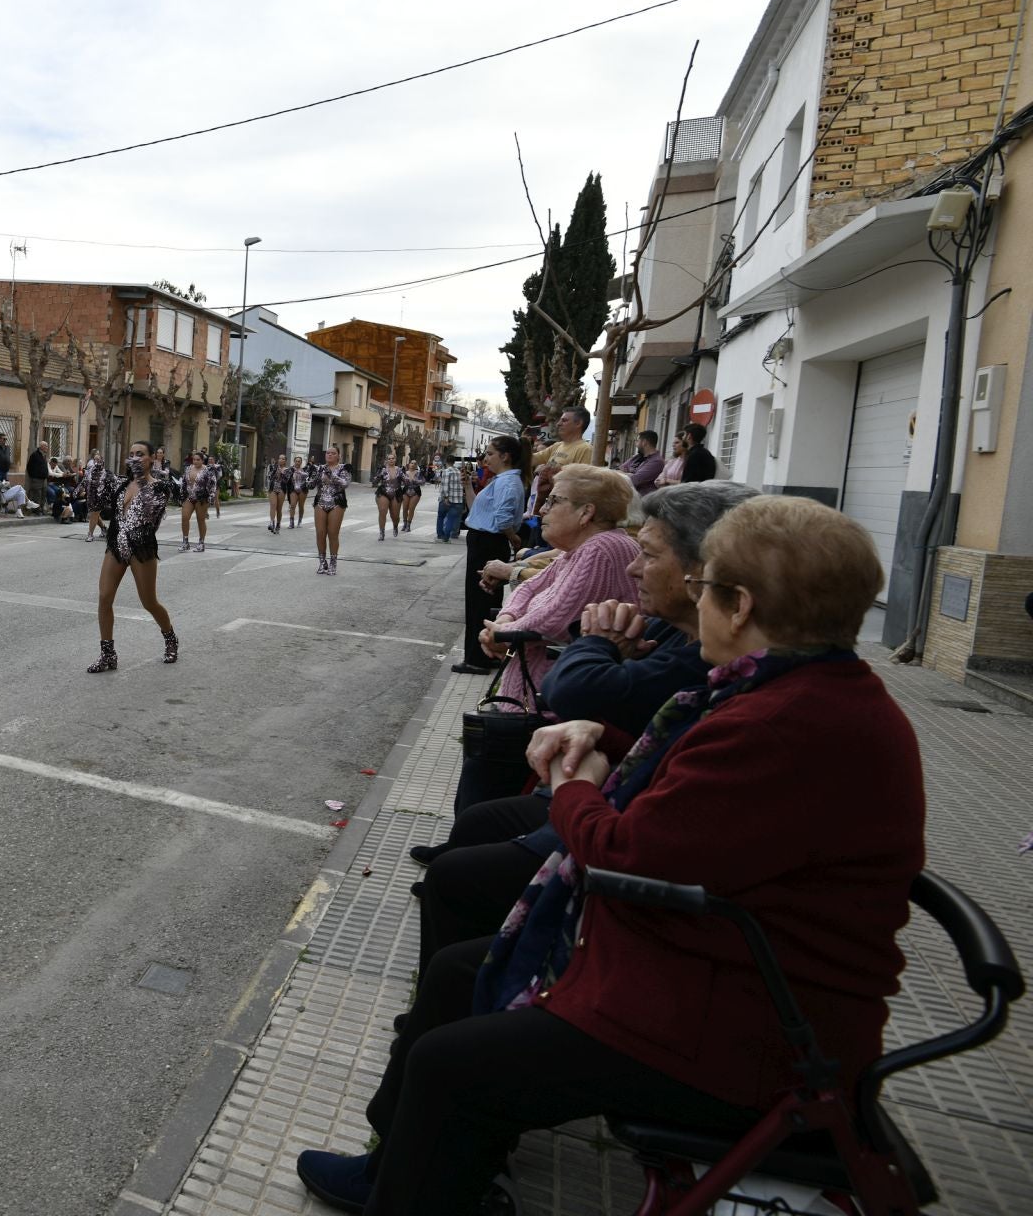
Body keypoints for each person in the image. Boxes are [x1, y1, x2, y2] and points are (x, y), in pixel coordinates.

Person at [297, 494, 923, 1216]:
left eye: (702, 586)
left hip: (736, 1028)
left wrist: (575, 787)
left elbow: (622, 860)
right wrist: (616, 748)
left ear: (741, 605)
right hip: (713, 970)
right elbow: (696, 803)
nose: (683, 596)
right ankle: (404, 1166)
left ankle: (424, 1182)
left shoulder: (786, 723)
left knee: (451, 1067)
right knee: (454, 971)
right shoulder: (794, 692)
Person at [411, 482, 761, 962]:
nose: (634, 569)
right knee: (476, 822)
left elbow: (569, 663)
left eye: (554, 500)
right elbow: (535, 590)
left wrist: (590, 648)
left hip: (606, 836)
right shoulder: (694, 640)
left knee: (462, 878)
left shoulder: (727, 667)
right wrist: (510, 625)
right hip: (601, 806)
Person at [473, 464, 641, 718]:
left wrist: (500, 634)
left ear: (586, 513)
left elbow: (554, 619)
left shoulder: (602, 549)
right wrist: (505, 621)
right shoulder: (581, 549)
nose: (542, 509)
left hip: (555, 709)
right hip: (542, 696)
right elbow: (529, 587)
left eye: (553, 500)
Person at [85, 442, 179, 671]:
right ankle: (108, 655)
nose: (135, 458)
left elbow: (150, 516)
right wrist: (95, 475)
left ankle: (170, 638)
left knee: (149, 601)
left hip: (141, 547)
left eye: (141, 454)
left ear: (150, 460)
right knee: (104, 596)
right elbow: (97, 499)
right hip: (116, 544)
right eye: (132, 455)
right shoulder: (120, 485)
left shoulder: (159, 488)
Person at [452, 438, 525, 675]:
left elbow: (503, 518)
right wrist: (467, 488)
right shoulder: (501, 481)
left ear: (505, 456)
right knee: (487, 601)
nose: (486, 458)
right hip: (485, 540)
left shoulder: (507, 482)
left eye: (491, 453)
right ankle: (486, 652)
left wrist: (512, 537)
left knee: (478, 602)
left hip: (488, 542)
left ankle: (476, 658)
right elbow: (478, 512)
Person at [529, 405, 597, 509]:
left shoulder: (586, 449)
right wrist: (524, 442)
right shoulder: (557, 446)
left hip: (563, 508)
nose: (558, 424)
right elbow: (530, 460)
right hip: (548, 505)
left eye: (564, 420)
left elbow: (582, 484)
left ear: (578, 423)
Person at [309, 446, 351, 575]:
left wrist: (332, 475)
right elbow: (311, 485)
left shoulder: (344, 468)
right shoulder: (319, 468)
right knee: (320, 532)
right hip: (321, 501)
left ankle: (333, 562)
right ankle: (322, 562)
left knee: (333, 533)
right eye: (328, 453)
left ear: (338, 456)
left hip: (336, 502)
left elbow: (345, 484)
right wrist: (308, 477)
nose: (330, 455)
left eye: (333, 453)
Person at [178, 451, 218, 552]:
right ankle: (185, 542)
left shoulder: (208, 470)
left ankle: (201, 543)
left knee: (200, 520)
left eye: (198, 460)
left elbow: (213, 484)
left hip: (201, 498)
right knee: (184, 517)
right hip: (189, 497)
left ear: (202, 460)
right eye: (194, 459)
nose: (195, 461)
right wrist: (181, 495)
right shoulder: (188, 468)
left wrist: (211, 498)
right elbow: (183, 482)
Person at [436, 457, 469, 543]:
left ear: (446, 461)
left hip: (447, 499)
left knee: (441, 517)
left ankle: (440, 535)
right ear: (454, 462)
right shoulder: (459, 472)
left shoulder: (447, 471)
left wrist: (446, 497)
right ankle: (446, 537)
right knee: (451, 518)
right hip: (458, 500)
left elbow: (445, 485)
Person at [623, 429, 664, 496]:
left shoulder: (657, 462)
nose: (636, 444)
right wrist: (630, 474)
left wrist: (629, 473)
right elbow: (621, 468)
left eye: (637, 441)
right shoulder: (637, 457)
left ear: (644, 442)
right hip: (631, 497)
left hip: (643, 500)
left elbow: (635, 480)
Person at [372, 454, 399, 541]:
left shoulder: (400, 470)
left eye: (393, 458)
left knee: (394, 515)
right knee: (382, 511)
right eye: (389, 459)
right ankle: (381, 532)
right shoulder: (383, 470)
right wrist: (379, 475)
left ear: (395, 460)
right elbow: (375, 481)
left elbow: (405, 480)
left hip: (396, 493)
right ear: (386, 460)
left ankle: (395, 526)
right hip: (383, 492)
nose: (391, 460)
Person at [266, 454, 290, 534]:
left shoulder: (287, 470)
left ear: (285, 461)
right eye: (279, 458)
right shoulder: (274, 467)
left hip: (281, 489)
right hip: (273, 488)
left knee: (278, 509)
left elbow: (287, 480)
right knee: (273, 505)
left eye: (283, 459)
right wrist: (275, 472)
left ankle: (278, 524)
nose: (280, 460)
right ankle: (272, 523)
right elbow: (269, 476)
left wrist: (282, 474)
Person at [26, 440, 51, 510]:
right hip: (37, 479)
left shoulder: (45, 455)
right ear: (41, 447)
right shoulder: (35, 455)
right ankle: (36, 510)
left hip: (44, 479)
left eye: (47, 446)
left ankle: (41, 509)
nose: (47, 447)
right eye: (46, 446)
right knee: (37, 495)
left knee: (43, 494)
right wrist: (34, 476)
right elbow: (29, 467)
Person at [400, 461, 423, 533]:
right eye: (411, 463)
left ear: (416, 466)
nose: (413, 465)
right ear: (409, 464)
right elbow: (400, 481)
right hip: (406, 491)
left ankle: (408, 525)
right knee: (404, 508)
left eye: (415, 464)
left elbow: (423, 481)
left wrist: (415, 481)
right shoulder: (404, 473)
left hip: (415, 491)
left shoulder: (419, 473)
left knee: (411, 508)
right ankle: (404, 524)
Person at [288, 454, 309, 529]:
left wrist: (301, 473)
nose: (297, 462)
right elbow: (287, 478)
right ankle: (291, 522)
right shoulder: (290, 469)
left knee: (301, 506)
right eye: (296, 461)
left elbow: (308, 477)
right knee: (292, 505)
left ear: (301, 462)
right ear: (294, 462)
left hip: (302, 489)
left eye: (299, 461)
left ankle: (299, 521)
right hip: (293, 489)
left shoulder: (304, 470)